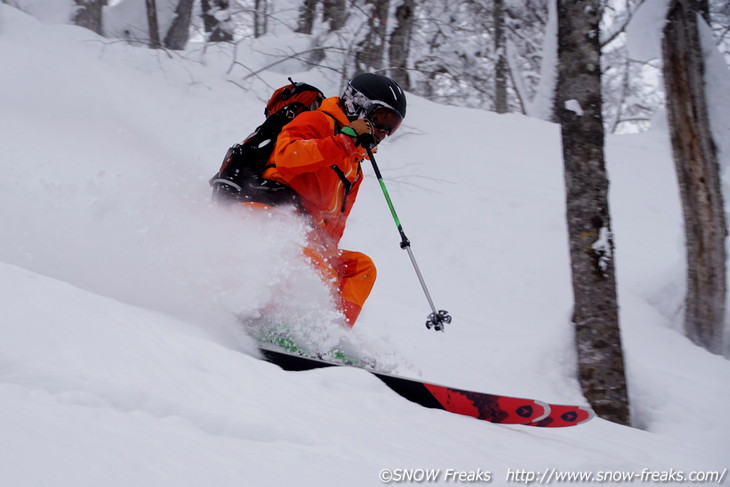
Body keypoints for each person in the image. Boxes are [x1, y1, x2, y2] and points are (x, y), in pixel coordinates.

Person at [261, 73, 407, 327]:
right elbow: (286, 155)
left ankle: (331, 335)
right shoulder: (318, 121)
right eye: (382, 119)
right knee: (318, 269)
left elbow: (333, 224)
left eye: (392, 126)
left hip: (307, 236)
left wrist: (327, 251)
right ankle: (274, 322)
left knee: (360, 269)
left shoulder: (354, 164)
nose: (384, 132)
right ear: (358, 105)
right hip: (269, 216)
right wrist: (344, 141)